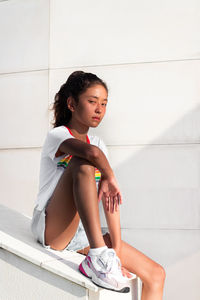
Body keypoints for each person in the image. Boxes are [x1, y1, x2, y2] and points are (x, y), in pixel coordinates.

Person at [31, 71, 166, 297]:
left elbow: (109, 199)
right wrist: (108, 173)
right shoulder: (58, 136)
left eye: (104, 103)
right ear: (72, 104)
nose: (99, 109)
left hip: (84, 233)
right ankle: (97, 256)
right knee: (82, 165)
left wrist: (117, 250)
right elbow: (90, 154)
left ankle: (103, 256)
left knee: (156, 274)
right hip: (54, 230)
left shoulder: (99, 144)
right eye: (92, 102)